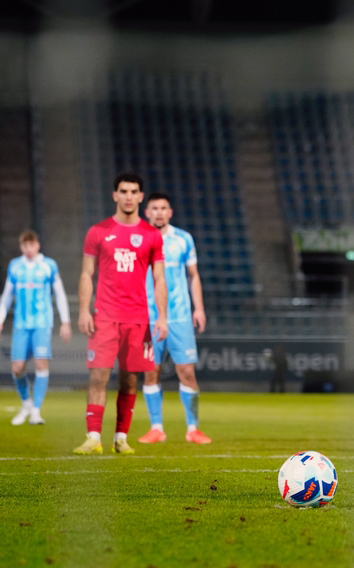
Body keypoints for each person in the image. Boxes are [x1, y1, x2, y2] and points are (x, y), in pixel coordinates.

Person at [73, 172, 168, 455]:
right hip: (104, 316)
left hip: (137, 318)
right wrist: (84, 310)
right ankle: (93, 437)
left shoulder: (151, 235)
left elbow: (159, 278)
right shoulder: (98, 231)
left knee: (129, 380)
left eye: (134, 191)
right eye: (123, 191)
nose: (128, 196)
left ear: (141, 197)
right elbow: (87, 273)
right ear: (115, 195)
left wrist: (162, 316)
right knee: (98, 376)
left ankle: (121, 437)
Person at [138, 192, 211, 445]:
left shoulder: (183, 239)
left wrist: (198, 308)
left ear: (170, 212)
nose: (159, 212)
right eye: (154, 208)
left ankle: (193, 429)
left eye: (163, 208)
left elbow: (193, 275)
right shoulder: (139, 240)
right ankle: (156, 428)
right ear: (147, 213)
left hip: (179, 316)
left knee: (187, 372)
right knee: (151, 372)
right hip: (148, 317)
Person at [0, 230, 72, 425]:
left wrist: (65, 322)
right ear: (21, 247)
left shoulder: (48, 265)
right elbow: (6, 295)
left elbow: (60, 294)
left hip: (42, 323)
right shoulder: (15, 266)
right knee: (17, 368)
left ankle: (36, 411)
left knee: (41, 364)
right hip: (21, 324)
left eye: (31, 245)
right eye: (25, 245)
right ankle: (27, 404)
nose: (28, 249)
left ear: (38, 245)